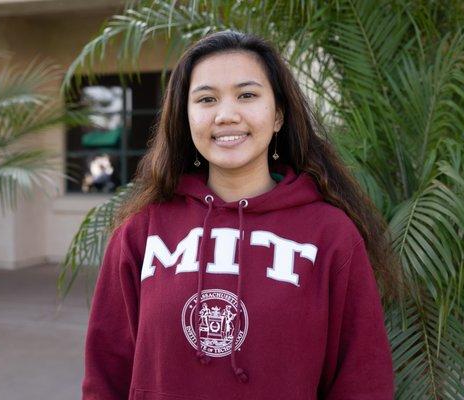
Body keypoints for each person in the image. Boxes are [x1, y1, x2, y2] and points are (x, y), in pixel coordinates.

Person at [82, 29, 399, 400]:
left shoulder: (330, 235)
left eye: (247, 95)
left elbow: (362, 380)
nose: (226, 115)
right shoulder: (142, 231)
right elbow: (106, 373)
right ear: (185, 117)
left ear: (278, 114)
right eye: (206, 99)